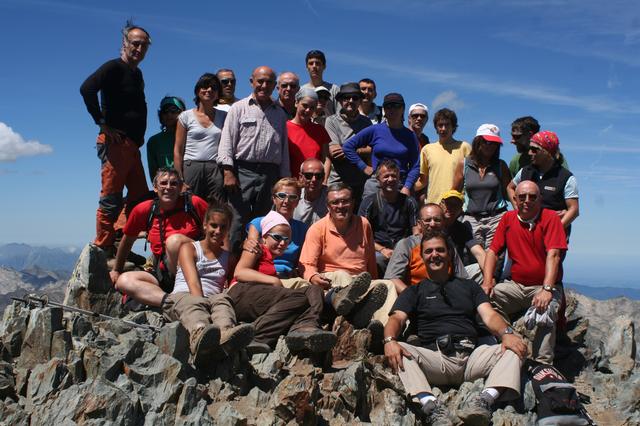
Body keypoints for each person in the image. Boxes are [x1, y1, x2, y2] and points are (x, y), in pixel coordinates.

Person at [383, 229, 527, 426]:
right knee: (399, 350)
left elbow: (489, 315)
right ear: (422, 256)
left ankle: (485, 400)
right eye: (429, 251)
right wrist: (389, 340)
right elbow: (397, 319)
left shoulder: (470, 286)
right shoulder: (414, 291)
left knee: (515, 348)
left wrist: (506, 333)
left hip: (471, 358)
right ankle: (431, 406)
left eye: (440, 250)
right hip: (436, 359)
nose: (434, 255)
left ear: (450, 253)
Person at [80, 21, 151, 252]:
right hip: (115, 144)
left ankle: (119, 233)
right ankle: (104, 245)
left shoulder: (137, 73)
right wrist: (102, 123)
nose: (139, 49)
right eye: (136, 43)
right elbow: (87, 88)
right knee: (111, 196)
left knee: (140, 195)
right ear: (125, 43)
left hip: (131, 145)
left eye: (144, 45)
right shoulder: (113, 67)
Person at [158, 203, 254, 366]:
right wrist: (205, 306)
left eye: (223, 227)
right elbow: (193, 282)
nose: (218, 231)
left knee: (223, 301)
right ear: (205, 225)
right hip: (185, 295)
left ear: (228, 230)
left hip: (212, 298)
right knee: (193, 304)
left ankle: (226, 334)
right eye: (214, 225)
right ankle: (199, 335)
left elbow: (232, 283)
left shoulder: (229, 258)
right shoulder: (189, 248)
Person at [483, 181, 568, 364]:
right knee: (486, 301)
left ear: (540, 199)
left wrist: (547, 289)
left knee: (545, 310)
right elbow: (492, 252)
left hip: (542, 286)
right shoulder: (508, 218)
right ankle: (513, 342)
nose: (527, 201)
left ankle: (542, 363)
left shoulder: (550, 218)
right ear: (515, 199)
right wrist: (487, 281)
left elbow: (554, 255)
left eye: (532, 197)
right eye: (522, 197)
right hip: (516, 285)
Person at [229, 211, 337, 353]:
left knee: (314, 290)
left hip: (258, 295)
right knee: (298, 298)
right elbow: (240, 272)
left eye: (287, 240)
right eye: (277, 237)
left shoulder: (270, 259)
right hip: (240, 292)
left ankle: (305, 327)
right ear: (265, 237)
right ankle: (255, 336)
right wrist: (273, 280)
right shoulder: (255, 248)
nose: (282, 243)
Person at [298, 183, 395, 331]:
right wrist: (313, 277)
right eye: (335, 202)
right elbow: (306, 264)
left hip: (361, 280)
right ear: (328, 206)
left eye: (345, 201)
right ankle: (360, 316)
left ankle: (386, 330)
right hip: (332, 280)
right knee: (343, 275)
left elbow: (370, 259)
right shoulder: (317, 229)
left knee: (387, 285)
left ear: (353, 203)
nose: (340, 206)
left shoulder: (363, 224)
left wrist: (374, 280)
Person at [217, 66, 289, 254]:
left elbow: (283, 148)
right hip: (242, 171)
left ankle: (257, 263)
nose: (264, 86)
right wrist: (228, 171)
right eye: (260, 81)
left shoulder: (280, 113)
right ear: (252, 82)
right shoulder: (238, 108)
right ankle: (231, 263)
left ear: (274, 85)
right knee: (237, 220)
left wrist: (284, 178)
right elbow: (227, 140)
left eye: (269, 82)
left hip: (270, 173)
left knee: (264, 222)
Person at [111, 168, 207, 299]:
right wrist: (116, 270)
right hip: (163, 273)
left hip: (197, 268)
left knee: (174, 242)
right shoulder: (145, 210)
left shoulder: (194, 204)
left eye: (174, 184)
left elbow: (219, 233)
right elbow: (127, 241)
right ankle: (169, 302)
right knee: (124, 281)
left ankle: (190, 294)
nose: (168, 187)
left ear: (180, 188)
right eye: (163, 183)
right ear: (155, 187)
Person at [453, 124, 511, 279]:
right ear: (478, 141)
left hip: (497, 217)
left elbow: (509, 191)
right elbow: (455, 192)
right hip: (471, 218)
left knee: (496, 258)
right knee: (472, 257)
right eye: (486, 141)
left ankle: (492, 287)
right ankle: (476, 289)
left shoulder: (501, 166)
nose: (490, 146)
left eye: (494, 143)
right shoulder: (464, 164)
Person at [343, 93, 420, 201]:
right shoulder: (375, 130)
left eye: (397, 106)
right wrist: (363, 167)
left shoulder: (410, 136)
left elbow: (415, 166)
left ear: (403, 109)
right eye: (389, 106)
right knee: (368, 212)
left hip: (400, 185)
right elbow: (348, 147)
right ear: (384, 110)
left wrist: (407, 186)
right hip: (376, 183)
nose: (392, 109)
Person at [384, 203, 468, 295]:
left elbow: (462, 277)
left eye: (437, 220)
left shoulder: (448, 244)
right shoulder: (406, 245)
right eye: (428, 220)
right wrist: (413, 297)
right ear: (419, 224)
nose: (432, 224)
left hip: (446, 295)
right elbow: (393, 278)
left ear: (444, 223)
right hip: (416, 295)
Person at [507, 131, 579, 236]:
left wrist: (554, 230)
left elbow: (574, 210)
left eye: (534, 149)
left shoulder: (566, 177)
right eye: (529, 149)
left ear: (547, 152)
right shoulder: (525, 171)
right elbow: (510, 187)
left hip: (552, 236)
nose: (529, 153)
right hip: (527, 232)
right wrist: (518, 209)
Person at [358, 160, 419, 275]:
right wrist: (382, 249)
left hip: (404, 249)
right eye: (386, 176)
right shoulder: (369, 202)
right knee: (376, 259)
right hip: (378, 249)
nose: (390, 179)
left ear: (399, 178)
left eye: (394, 176)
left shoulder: (409, 202)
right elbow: (361, 235)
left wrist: (405, 250)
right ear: (378, 179)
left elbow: (416, 232)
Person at [174, 73, 227, 203]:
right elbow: (178, 150)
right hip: (191, 166)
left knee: (217, 207)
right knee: (190, 205)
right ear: (197, 91)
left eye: (213, 88)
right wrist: (179, 179)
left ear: (218, 93)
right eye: (205, 86)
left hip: (215, 168)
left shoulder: (225, 116)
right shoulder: (185, 116)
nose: (209, 90)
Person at [246, 178, 308, 279]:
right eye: (282, 196)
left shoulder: (302, 228)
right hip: (262, 275)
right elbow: (251, 248)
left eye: (292, 197)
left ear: (297, 202)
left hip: (289, 276)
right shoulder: (258, 223)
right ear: (274, 199)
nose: (286, 201)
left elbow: (303, 260)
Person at [324, 83, 373, 204]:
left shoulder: (366, 123)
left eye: (355, 98)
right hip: (337, 181)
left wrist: (349, 150)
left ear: (360, 101)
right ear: (340, 101)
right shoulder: (331, 121)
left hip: (361, 182)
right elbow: (335, 153)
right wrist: (361, 150)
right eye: (346, 97)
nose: (350, 101)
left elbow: (371, 150)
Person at [419, 108, 471, 203]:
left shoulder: (464, 147)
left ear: (453, 127)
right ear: (436, 127)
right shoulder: (427, 150)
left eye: (447, 125)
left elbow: (472, 178)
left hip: (458, 204)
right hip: (434, 204)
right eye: (440, 125)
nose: (443, 129)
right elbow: (423, 181)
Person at [439, 190, 489, 283]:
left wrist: (489, 280)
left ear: (461, 210)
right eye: (448, 204)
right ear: (441, 204)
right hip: (436, 269)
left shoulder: (462, 228)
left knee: (485, 267)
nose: (450, 208)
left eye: (455, 205)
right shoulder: (433, 225)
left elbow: (479, 253)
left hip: (457, 272)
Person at [286, 87, 331, 179]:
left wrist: (324, 180)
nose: (308, 110)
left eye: (312, 108)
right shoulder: (284, 128)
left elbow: (326, 158)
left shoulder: (320, 130)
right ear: (296, 103)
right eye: (305, 106)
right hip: (291, 183)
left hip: (314, 183)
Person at [146, 96, 186, 181]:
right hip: (166, 185)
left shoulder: (190, 137)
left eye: (174, 111)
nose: (169, 115)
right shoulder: (153, 141)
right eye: (165, 111)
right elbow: (153, 172)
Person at [301, 50, 339, 115]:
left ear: (324, 66)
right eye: (311, 63)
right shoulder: (301, 90)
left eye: (317, 63)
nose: (314, 66)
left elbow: (339, 115)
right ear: (307, 67)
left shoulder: (334, 89)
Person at [294, 158, 329, 226]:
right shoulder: (293, 197)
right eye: (308, 176)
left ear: (323, 177)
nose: (314, 180)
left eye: (318, 176)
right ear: (301, 177)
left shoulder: (331, 198)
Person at [407, 103, 430, 199]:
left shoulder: (425, 139)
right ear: (409, 118)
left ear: (426, 120)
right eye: (415, 115)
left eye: (422, 116)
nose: (419, 118)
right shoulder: (401, 135)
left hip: (419, 186)